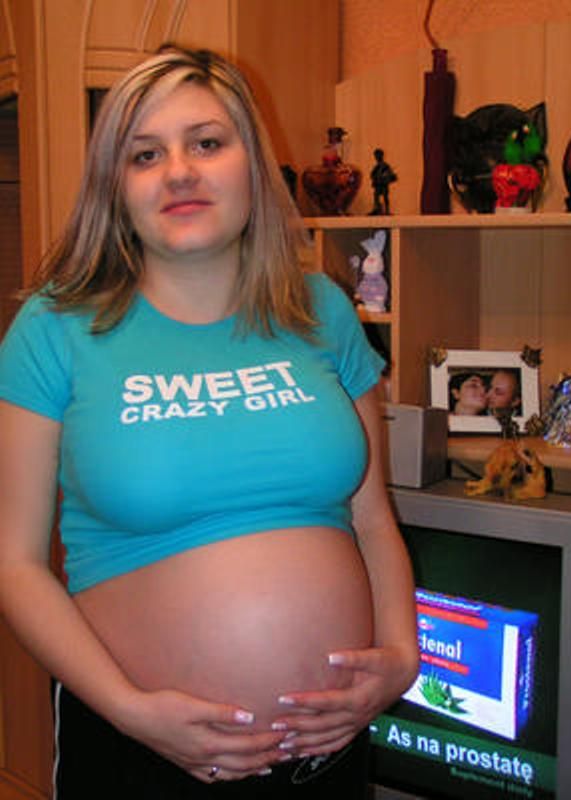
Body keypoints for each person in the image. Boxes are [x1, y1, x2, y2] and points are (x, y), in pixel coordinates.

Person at [0, 46, 419, 799]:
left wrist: (401, 655)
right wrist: (130, 712)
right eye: (145, 154)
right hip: (142, 757)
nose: (179, 173)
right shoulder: (54, 327)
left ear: (251, 163)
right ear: (115, 186)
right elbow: (15, 563)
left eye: (206, 142)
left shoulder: (320, 309)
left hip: (327, 754)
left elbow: (372, 518)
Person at [369, 148, 397, 215]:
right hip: (378, 185)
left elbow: (390, 173)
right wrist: (375, 178)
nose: (376, 157)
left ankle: (387, 210)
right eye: (376, 156)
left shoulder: (385, 165)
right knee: (376, 197)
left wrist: (385, 177)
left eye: (377, 156)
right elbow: (372, 174)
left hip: (383, 185)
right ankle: (377, 209)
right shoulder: (377, 166)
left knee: (385, 197)